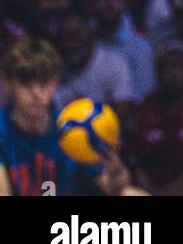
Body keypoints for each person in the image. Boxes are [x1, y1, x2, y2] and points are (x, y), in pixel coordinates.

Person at [1, 38, 147, 196]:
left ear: (55, 83)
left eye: (43, 83)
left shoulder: (74, 127)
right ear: (8, 84)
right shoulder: (2, 130)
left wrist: (116, 173)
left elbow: (109, 185)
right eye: (26, 84)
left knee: (131, 194)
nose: (36, 93)